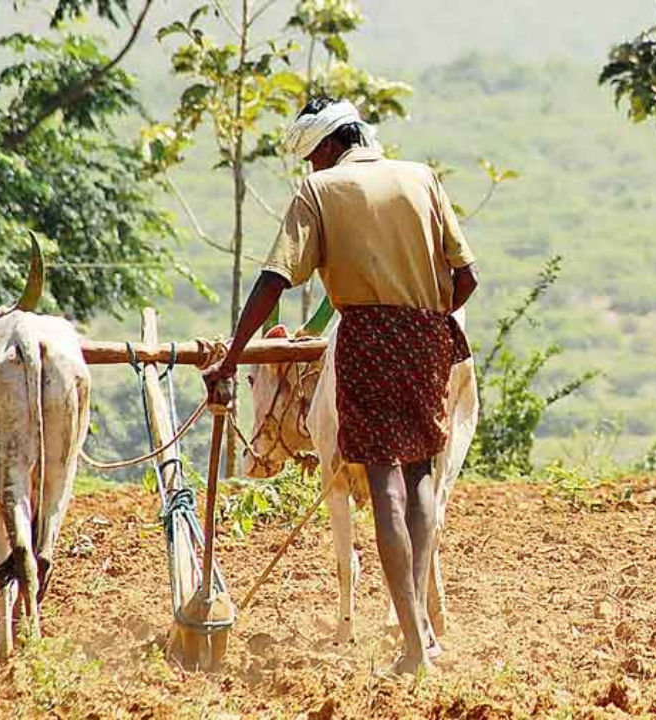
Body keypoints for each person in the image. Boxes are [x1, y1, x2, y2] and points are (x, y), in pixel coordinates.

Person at [203, 96, 479, 675]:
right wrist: (426, 321)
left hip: (367, 339)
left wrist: (232, 355)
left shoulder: (321, 192)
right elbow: (468, 276)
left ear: (328, 147)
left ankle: (411, 646)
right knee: (422, 477)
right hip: (432, 333)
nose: (310, 168)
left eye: (310, 157)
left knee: (385, 487)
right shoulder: (422, 178)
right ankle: (423, 632)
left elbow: (275, 279)